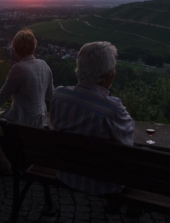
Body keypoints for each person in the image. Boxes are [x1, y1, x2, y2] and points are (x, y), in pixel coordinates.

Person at [0, 29, 54, 185]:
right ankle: (3, 162)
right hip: (39, 122)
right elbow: (50, 95)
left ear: (15, 49)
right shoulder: (44, 65)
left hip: (21, 125)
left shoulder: (19, 68)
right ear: (34, 46)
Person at [51, 41, 135, 195]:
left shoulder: (58, 95)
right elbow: (128, 141)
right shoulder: (113, 109)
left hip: (66, 173)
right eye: (113, 69)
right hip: (103, 183)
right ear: (105, 76)